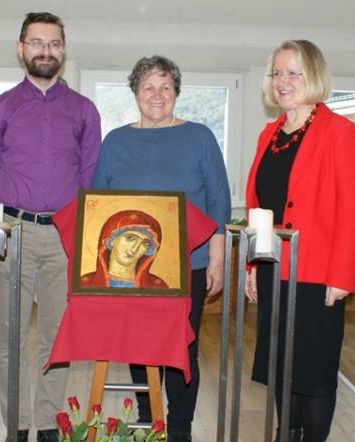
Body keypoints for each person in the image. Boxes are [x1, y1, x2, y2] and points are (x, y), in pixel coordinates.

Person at [91, 55, 231, 442]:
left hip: (191, 264)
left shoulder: (200, 136)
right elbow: (98, 205)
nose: (158, 94)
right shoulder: (115, 141)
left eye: (166, 86)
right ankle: (148, 418)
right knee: (139, 345)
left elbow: (219, 200)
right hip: (132, 269)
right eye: (149, 86)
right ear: (135, 92)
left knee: (183, 346)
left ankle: (181, 427)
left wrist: (217, 258)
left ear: (176, 93)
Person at [0, 12, 101, 442]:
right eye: (36, 42)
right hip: (12, 233)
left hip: (65, 236)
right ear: (21, 48)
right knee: (9, 338)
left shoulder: (84, 110)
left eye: (53, 43)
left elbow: (90, 177)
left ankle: (48, 423)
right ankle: (17, 423)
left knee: (57, 335)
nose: (45, 50)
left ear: (63, 51)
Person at [245, 40, 355, 442]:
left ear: (313, 76)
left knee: (313, 373)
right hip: (273, 271)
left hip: (317, 275)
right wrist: (252, 266)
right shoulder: (270, 134)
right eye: (277, 73)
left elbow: (351, 208)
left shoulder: (339, 132)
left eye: (293, 72)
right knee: (282, 369)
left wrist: (341, 275)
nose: (283, 81)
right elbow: (258, 207)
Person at [80, 209, 168, 289]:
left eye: (145, 243)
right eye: (130, 238)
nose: (134, 249)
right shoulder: (86, 283)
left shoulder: (157, 286)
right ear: (111, 240)